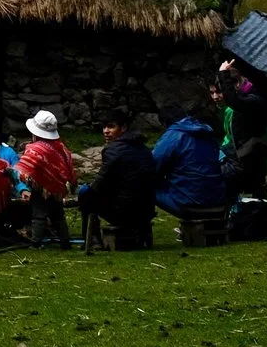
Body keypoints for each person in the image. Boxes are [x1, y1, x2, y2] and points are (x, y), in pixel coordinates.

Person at [78, 111, 157, 249]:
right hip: (147, 210)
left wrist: (89, 190)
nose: (106, 131)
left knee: (85, 192)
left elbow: (100, 182)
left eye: (111, 127)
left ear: (123, 127)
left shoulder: (113, 150)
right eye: (104, 127)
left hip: (123, 211)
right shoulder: (144, 148)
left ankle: (92, 239)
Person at [152, 103, 231, 218]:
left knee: (144, 183)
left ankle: (138, 229)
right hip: (218, 200)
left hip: (190, 203)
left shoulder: (173, 135)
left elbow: (152, 166)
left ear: (165, 123)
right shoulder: (206, 132)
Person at [213, 60, 267, 198]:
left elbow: (233, 101)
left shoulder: (252, 99)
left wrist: (223, 73)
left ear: (238, 83)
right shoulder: (245, 97)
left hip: (253, 152)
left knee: (255, 188)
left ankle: (257, 214)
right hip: (246, 150)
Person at [16, 110, 74, 247]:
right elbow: (66, 166)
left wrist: (16, 173)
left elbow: (25, 168)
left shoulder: (35, 149)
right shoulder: (60, 147)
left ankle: (36, 241)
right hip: (57, 188)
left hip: (40, 186)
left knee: (38, 214)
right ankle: (65, 242)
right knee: (58, 215)